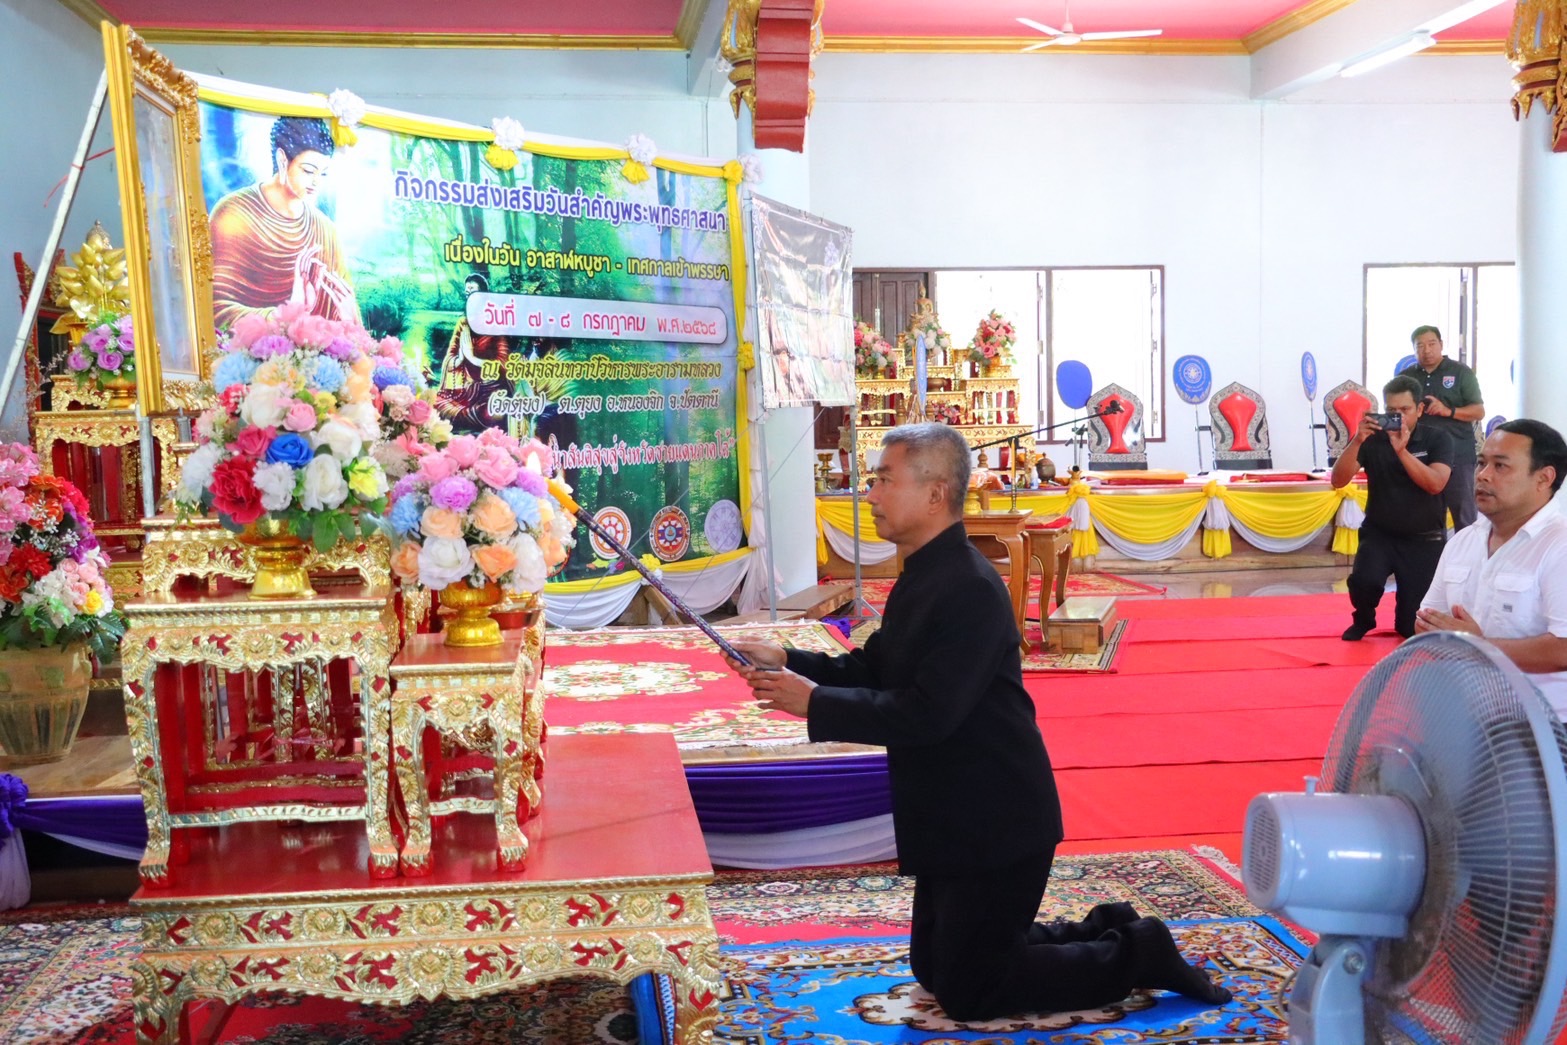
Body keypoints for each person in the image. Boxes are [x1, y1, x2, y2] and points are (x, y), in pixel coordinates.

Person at [725, 422, 1230, 1022]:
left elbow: (927, 714)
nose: (870, 494)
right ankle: (1106, 926)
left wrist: (814, 703)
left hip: (998, 819)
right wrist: (786, 661)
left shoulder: (967, 586)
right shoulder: (925, 574)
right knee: (936, 968)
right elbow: (877, 669)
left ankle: (1138, 953)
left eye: (884, 480)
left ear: (935, 494)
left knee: (973, 991)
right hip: (954, 814)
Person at [1415, 420, 1567, 715]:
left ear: (1543, 478)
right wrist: (1434, 630)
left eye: (1500, 466)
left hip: (1549, 722)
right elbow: (1426, 622)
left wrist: (1481, 646)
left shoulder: (1559, 546)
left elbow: (1564, 648)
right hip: (1468, 713)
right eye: (1481, 463)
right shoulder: (1463, 541)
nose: (1483, 475)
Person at [209, 116, 360, 329]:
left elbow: (346, 314)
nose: (316, 182)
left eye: (323, 173)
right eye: (308, 171)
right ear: (282, 160)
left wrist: (350, 320)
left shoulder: (325, 230)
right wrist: (288, 314)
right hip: (253, 350)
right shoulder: (233, 215)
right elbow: (215, 309)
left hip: (318, 349)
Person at [1333, 374, 1454, 641]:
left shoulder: (1437, 439)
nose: (1397, 416)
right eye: (1391, 410)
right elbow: (1338, 481)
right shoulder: (1372, 439)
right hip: (1380, 534)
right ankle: (1364, 618)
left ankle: (1406, 617)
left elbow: (1436, 484)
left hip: (1424, 539)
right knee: (1364, 582)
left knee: (1410, 628)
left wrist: (1402, 451)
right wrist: (1356, 441)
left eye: (1404, 410)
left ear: (1419, 409)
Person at [1400, 325, 1484, 530]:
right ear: (1414, 349)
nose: (1426, 350)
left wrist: (1448, 411)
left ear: (1441, 344)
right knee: (1421, 518)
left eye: (1431, 344)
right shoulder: (1405, 378)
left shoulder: (1460, 372)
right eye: (1420, 346)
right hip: (1420, 457)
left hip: (1458, 455)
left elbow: (1478, 411)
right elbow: (1397, 412)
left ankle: (1468, 552)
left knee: (1464, 518)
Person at [432, 273, 523, 434]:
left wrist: (472, 358)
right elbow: (450, 357)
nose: (469, 297)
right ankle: (470, 418)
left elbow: (504, 364)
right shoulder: (463, 323)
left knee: (494, 413)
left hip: (492, 389)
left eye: (473, 293)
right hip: (466, 391)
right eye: (467, 293)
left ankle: (474, 420)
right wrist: (461, 358)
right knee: (435, 403)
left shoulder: (494, 323)